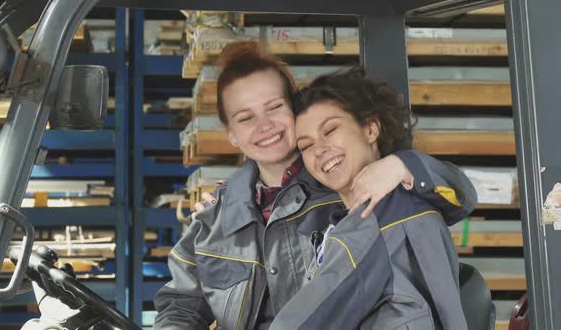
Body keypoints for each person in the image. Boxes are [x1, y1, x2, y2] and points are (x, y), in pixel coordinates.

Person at [153, 42, 476, 330]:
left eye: (275, 107)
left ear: (295, 110)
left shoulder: (351, 190)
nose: (264, 126)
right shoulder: (215, 220)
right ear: (232, 134)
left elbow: (456, 195)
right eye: (245, 117)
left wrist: (403, 163)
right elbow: (180, 305)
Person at [270, 67, 467, 330]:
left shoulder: (377, 219)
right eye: (306, 146)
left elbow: (306, 320)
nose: (319, 150)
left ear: (371, 130)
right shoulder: (400, 202)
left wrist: (402, 164)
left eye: (330, 131)